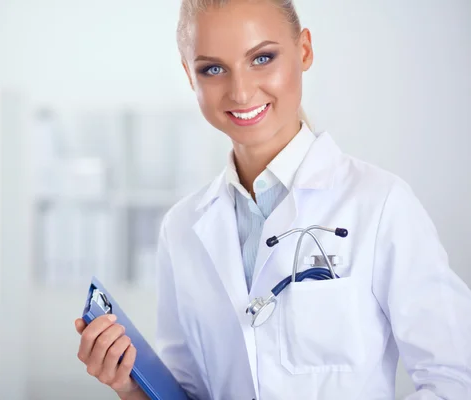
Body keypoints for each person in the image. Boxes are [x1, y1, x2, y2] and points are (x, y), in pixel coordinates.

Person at [74, 0, 471, 398]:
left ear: (304, 51)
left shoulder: (381, 204)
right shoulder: (181, 229)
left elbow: (455, 377)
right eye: (213, 69)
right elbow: (189, 391)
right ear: (188, 75)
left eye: (262, 58)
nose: (241, 90)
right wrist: (129, 385)